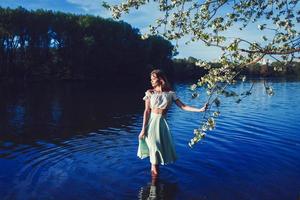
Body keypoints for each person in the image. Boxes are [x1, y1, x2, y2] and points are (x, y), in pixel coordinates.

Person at [137, 69, 208, 177]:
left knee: (156, 156)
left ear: (160, 79)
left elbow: (183, 106)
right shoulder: (150, 92)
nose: (151, 81)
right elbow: (147, 111)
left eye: (153, 78)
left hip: (162, 126)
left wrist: (200, 110)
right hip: (151, 126)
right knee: (154, 153)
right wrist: (143, 129)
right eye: (151, 79)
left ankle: (155, 185)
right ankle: (154, 185)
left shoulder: (171, 93)